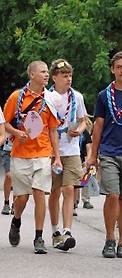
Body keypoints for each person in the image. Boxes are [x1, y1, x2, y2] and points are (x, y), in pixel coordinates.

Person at [4, 60, 60, 254]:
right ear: (32, 75)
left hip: (43, 153)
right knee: (22, 198)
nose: (46, 75)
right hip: (20, 153)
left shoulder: (50, 99)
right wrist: (16, 133)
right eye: (43, 72)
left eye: (47, 72)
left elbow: (53, 130)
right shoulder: (16, 97)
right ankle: (16, 220)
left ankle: (39, 237)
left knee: (39, 194)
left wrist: (57, 157)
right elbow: (6, 124)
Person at [88, 51, 122, 258]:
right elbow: (98, 126)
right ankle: (110, 238)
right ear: (112, 69)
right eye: (119, 67)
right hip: (109, 152)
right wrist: (93, 154)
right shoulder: (103, 95)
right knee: (113, 195)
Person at [45, 59, 88, 251]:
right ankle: (55, 232)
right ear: (54, 77)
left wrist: (79, 130)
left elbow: (83, 120)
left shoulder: (77, 97)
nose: (68, 79)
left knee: (69, 189)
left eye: (70, 75)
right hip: (52, 151)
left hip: (71, 150)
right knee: (54, 191)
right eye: (64, 75)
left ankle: (67, 230)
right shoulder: (47, 97)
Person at [76, 116, 94, 210]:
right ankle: (75, 201)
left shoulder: (85, 133)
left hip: (82, 159)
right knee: (75, 182)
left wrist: (88, 160)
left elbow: (89, 147)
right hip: (73, 158)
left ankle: (86, 200)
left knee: (85, 179)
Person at [1, 137, 12, 215]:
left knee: (17, 178)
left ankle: (15, 204)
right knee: (9, 175)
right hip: (7, 150)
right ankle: (6, 203)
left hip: (22, 151)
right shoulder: (5, 124)